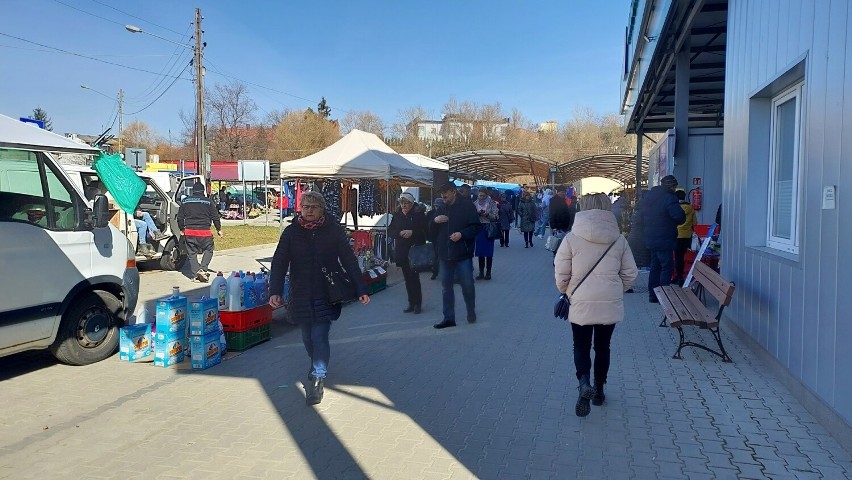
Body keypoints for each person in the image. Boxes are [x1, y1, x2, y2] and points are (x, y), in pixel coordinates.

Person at [268, 191, 370, 406]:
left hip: (327, 292)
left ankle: (318, 377)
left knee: (320, 334)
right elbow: (279, 262)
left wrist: (361, 288)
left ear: (322, 209)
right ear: (300, 209)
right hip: (300, 292)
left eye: (314, 207)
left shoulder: (333, 231)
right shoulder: (291, 233)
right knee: (307, 336)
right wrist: (274, 291)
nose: (309, 211)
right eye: (306, 207)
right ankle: (316, 363)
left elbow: (349, 260)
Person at [554, 193, 638, 418]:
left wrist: (566, 291)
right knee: (603, 347)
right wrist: (615, 290)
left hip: (580, 301)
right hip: (608, 302)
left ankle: (583, 383)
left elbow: (561, 274)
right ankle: (600, 391)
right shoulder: (619, 239)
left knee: (580, 345)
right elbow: (631, 273)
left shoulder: (572, 238)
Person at [428, 182, 481, 329]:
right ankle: (448, 318)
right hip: (445, 255)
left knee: (467, 285)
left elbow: (476, 227)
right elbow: (430, 232)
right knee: (446, 288)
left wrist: (462, 234)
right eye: (441, 194)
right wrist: (434, 221)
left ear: (453, 191)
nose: (442, 196)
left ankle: (471, 311)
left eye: (445, 193)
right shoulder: (441, 208)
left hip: (462, 254)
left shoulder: (467, 206)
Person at [641, 175, 686, 303]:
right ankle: (664, 296)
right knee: (667, 267)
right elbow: (679, 217)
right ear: (671, 186)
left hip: (651, 237)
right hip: (664, 238)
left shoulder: (650, 197)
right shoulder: (670, 198)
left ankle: (653, 295)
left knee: (655, 267)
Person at [387, 192, 427, 314]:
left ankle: (418, 303)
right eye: (402, 203)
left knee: (414, 278)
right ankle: (411, 302)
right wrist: (399, 233)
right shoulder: (397, 215)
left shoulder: (418, 215)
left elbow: (425, 232)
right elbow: (391, 230)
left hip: (414, 251)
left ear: (411, 203)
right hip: (402, 251)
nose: (404, 205)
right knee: (407, 279)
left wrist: (412, 232)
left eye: (406, 203)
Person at [177, 182, 223, 283]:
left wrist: (181, 229)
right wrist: (218, 230)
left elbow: (180, 217)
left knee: (192, 253)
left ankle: (195, 275)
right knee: (209, 249)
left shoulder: (185, 201)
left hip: (189, 232)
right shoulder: (208, 202)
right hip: (204, 232)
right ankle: (203, 269)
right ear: (203, 191)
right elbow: (215, 217)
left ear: (193, 191)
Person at [473, 188, 498, 279]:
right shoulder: (475, 204)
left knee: (488, 252)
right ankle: (481, 272)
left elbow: (496, 217)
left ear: (487, 195)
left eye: (484, 195)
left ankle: (488, 272)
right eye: (480, 195)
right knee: (480, 251)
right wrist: (477, 214)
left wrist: (487, 215)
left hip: (488, 229)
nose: (482, 197)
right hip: (479, 228)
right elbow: (471, 216)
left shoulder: (492, 203)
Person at [674, 190, 697, 285]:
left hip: (677, 235)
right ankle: (681, 277)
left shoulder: (675, 208)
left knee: (677, 257)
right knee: (683, 256)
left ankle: (679, 277)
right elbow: (695, 223)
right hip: (687, 236)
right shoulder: (691, 209)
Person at [425, 197, 445, 280]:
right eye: (436, 206)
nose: (437, 208)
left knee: (441, 256)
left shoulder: (445, 213)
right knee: (435, 255)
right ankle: (435, 271)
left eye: (438, 206)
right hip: (434, 237)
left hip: (443, 237)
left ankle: (440, 271)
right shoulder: (430, 213)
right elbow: (428, 226)